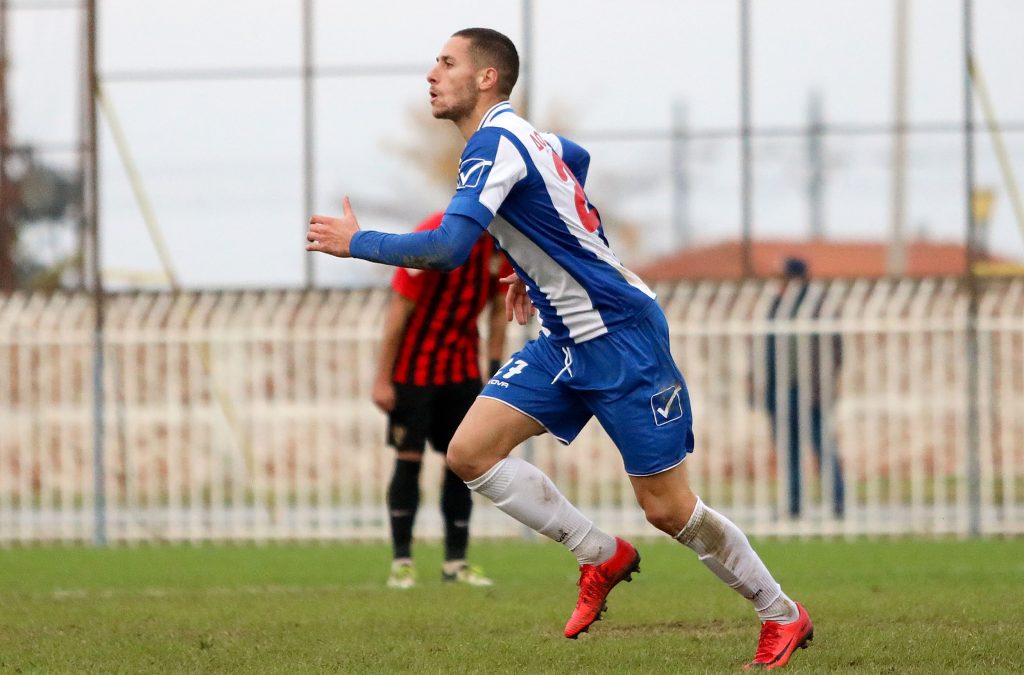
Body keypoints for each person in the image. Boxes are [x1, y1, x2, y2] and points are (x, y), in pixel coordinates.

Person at [307, 28, 813, 669]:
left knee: (667, 509)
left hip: (621, 337)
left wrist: (358, 243)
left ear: (487, 78)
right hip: (563, 338)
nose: (431, 74)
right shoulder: (524, 138)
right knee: (469, 453)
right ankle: (599, 553)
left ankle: (781, 613)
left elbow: (447, 249)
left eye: (447, 62)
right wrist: (537, 261)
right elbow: (574, 160)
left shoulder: (495, 142)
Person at [374, 210, 510, 589]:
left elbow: (499, 308)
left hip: (462, 372)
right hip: (413, 372)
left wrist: (494, 370)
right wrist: (382, 379)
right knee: (408, 460)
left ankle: (456, 562)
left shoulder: (499, 244)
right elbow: (399, 309)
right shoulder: (432, 234)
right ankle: (402, 562)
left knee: (462, 463)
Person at [764, 257, 846, 518]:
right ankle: (794, 503)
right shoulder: (776, 306)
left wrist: (826, 383)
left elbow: (835, 351)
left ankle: (837, 500)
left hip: (811, 391)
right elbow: (765, 350)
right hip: (780, 390)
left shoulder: (816, 306)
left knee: (822, 446)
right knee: (789, 451)